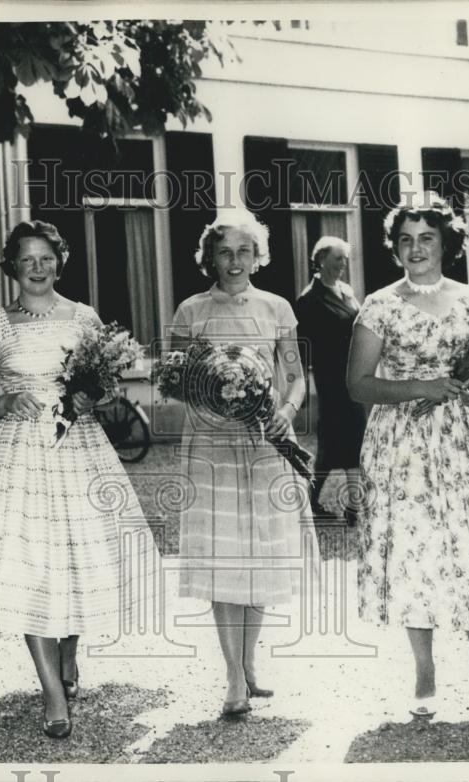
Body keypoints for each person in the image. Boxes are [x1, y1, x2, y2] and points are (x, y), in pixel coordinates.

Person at [0, 220, 156, 739]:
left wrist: (95, 397)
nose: (37, 268)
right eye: (27, 260)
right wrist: (3, 402)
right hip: (20, 453)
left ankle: (69, 656)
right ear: (12, 266)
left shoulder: (84, 317)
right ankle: (51, 691)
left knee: (76, 558)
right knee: (33, 566)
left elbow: (107, 388)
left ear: (59, 262)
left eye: (46, 258)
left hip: (80, 449)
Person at [346, 193, 469, 729]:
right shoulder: (378, 305)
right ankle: (424, 675)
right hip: (400, 445)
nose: (415, 248)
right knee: (414, 553)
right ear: (394, 247)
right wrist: (419, 385)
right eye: (405, 239)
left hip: (464, 440)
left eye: (426, 237)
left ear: (446, 242)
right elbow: (357, 384)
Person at [169, 209, 316, 718]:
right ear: (210, 257)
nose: (235, 262)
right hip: (212, 445)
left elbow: (297, 378)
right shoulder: (190, 310)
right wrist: (214, 397)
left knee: (260, 555)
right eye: (225, 252)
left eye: (244, 251)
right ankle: (232, 676)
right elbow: (175, 382)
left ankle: (250, 665)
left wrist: (285, 410)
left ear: (259, 256)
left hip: (267, 440)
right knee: (223, 556)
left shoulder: (277, 308)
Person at [294, 237, 367, 524]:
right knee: (342, 437)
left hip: (353, 373)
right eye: (338, 259)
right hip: (330, 377)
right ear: (321, 260)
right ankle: (351, 506)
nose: (342, 265)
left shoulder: (347, 292)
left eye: (345, 260)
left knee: (339, 440)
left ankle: (319, 502)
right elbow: (301, 346)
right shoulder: (308, 300)